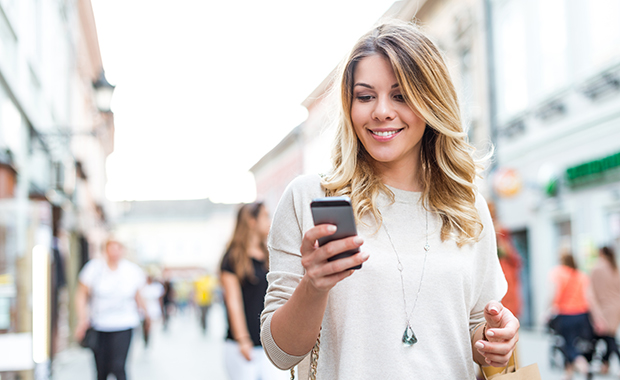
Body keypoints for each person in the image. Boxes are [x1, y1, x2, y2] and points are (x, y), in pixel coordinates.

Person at [260, 20, 519, 379]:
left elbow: (477, 325)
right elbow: (280, 352)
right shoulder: (310, 197)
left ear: (432, 102)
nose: (381, 111)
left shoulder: (466, 204)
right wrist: (314, 285)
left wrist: (494, 340)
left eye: (400, 95)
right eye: (365, 96)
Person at [220, 202, 285, 380]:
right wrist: (243, 340)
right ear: (251, 221)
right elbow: (233, 301)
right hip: (243, 345)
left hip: (269, 344)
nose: (269, 221)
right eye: (265, 216)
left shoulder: (269, 254)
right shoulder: (232, 258)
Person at [75, 240, 147, 380]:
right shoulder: (94, 268)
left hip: (124, 324)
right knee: (101, 370)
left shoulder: (131, 271)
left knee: (118, 367)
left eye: (117, 249)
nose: (114, 252)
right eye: (111, 249)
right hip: (100, 324)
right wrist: (82, 320)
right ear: (105, 250)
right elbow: (81, 294)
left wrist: (147, 316)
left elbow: (139, 296)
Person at [549, 251, 594, 379]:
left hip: (565, 314)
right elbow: (588, 296)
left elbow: (554, 295)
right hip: (582, 314)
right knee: (577, 342)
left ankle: (583, 366)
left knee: (567, 344)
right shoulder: (582, 275)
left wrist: (549, 309)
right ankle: (568, 372)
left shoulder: (558, 273)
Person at [587, 246, 620, 374]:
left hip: (604, 309)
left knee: (608, 338)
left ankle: (592, 363)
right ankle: (605, 365)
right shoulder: (615, 268)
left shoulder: (596, 268)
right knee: (608, 337)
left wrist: (596, 313)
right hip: (616, 308)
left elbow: (592, 293)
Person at [140, 275, 165, 347]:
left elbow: (160, 300)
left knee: (149, 325)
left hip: (153, 309)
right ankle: (146, 338)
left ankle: (148, 339)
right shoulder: (143, 287)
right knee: (145, 325)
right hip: (144, 309)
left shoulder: (156, 287)